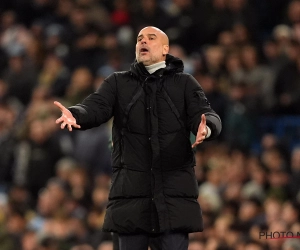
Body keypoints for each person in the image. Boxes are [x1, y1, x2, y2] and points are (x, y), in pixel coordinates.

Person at [54, 26, 222, 250]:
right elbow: (95, 107)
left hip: (173, 202)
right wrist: (76, 114)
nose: (143, 41)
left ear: (165, 49)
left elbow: (206, 115)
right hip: (131, 203)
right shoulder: (117, 83)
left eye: (151, 38)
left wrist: (207, 128)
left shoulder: (185, 83)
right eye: (139, 38)